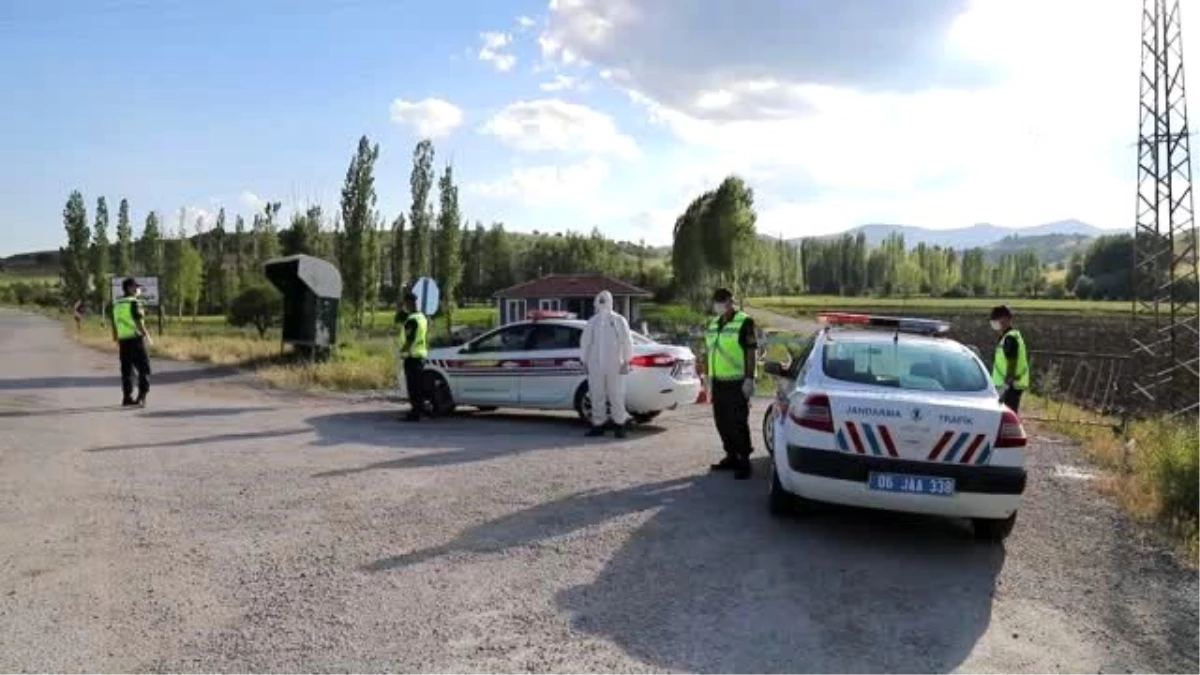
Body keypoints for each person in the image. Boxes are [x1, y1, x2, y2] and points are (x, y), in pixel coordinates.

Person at [705, 288, 757, 479]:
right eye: (717, 301)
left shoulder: (745, 321)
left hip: (737, 382)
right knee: (721, 421)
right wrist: (707, 376)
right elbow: (709, 351)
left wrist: (749, 378)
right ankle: (731, 455)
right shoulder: (713, 324)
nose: (719, 305)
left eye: (723, 301)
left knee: (738, 422)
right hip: (718, 382)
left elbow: (751, 352)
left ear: (730, 302)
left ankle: (744, 460)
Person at [579, 290, 634, 438]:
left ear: (610, 302)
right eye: (600, 300)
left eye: (605, 300)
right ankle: (598, 425)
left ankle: (620, 425)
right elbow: (585, 342)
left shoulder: (619, 320)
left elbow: (627, 341)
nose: (602, 304)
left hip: (615, 364)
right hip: (595, 365)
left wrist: (626, 361)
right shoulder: (593, 322)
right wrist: (583, 360)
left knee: (616, 395)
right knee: (597, 395)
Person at [111, 278, 152, 407]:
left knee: (126, 371)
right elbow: (139, 321)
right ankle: (142, 396)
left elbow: (114, 323)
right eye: (135, 287)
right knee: (144, 369)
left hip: (123, 341)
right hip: (136, 339)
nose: (137, 289)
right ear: (129, 288)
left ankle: (127, 397)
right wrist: (147, 336)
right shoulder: (134, 302)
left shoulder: (117, 304)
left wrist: (116, 338)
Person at [990, 305, 1030, 413]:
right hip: (1009, 385)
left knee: (1007, 415)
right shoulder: (1008, 336)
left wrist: (1006, 386)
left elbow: (1012, 361)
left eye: (996, 318)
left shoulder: (1010, 338)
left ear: (1005, 319)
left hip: (1009, 385)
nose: (993, 322)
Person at [398, 290, 430, 422]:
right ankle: (421, 410)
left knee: (413, 387)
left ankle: (415, 413)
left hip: (411, 357)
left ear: (409, 303)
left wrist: (402, 352)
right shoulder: (422, 317)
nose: (404, 305)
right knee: (419, 386)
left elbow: (410, 339)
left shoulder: (411, 320)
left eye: (405, 303)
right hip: (421, 356)